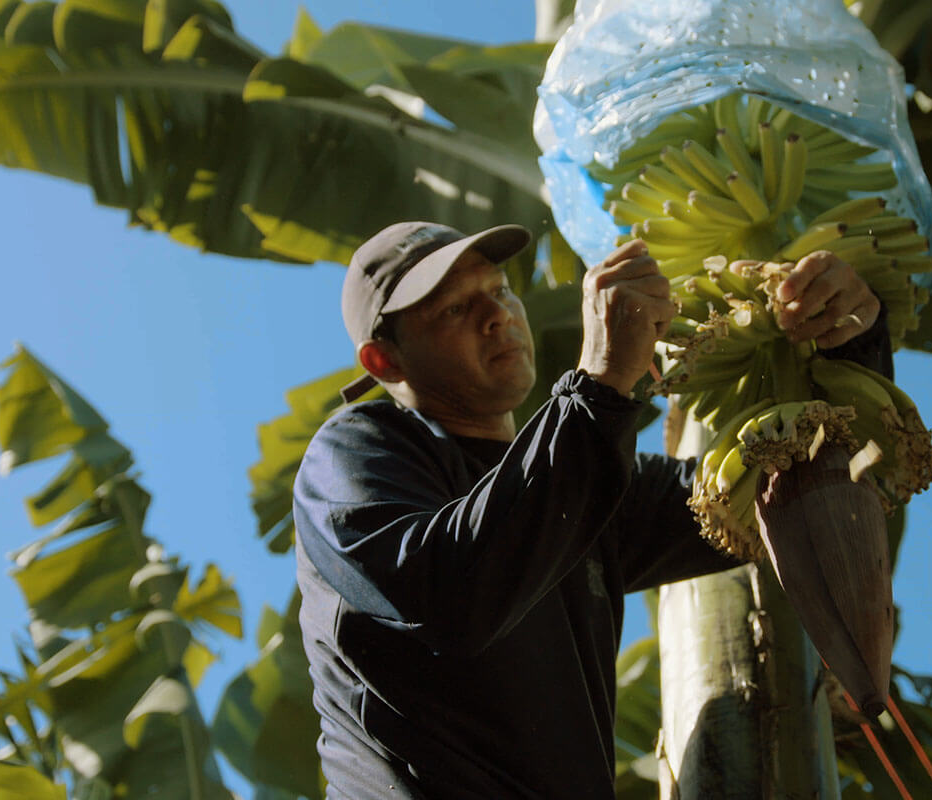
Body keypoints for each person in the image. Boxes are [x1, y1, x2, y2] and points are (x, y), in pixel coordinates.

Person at [293, 220, 889, 799]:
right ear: (385, 362)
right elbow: (450, 593)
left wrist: (848, 344)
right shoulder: (360, 450)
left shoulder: (591, 481)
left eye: (498, 290)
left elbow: (768, 502)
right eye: (454, 310)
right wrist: (600, 384)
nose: (496, 314)